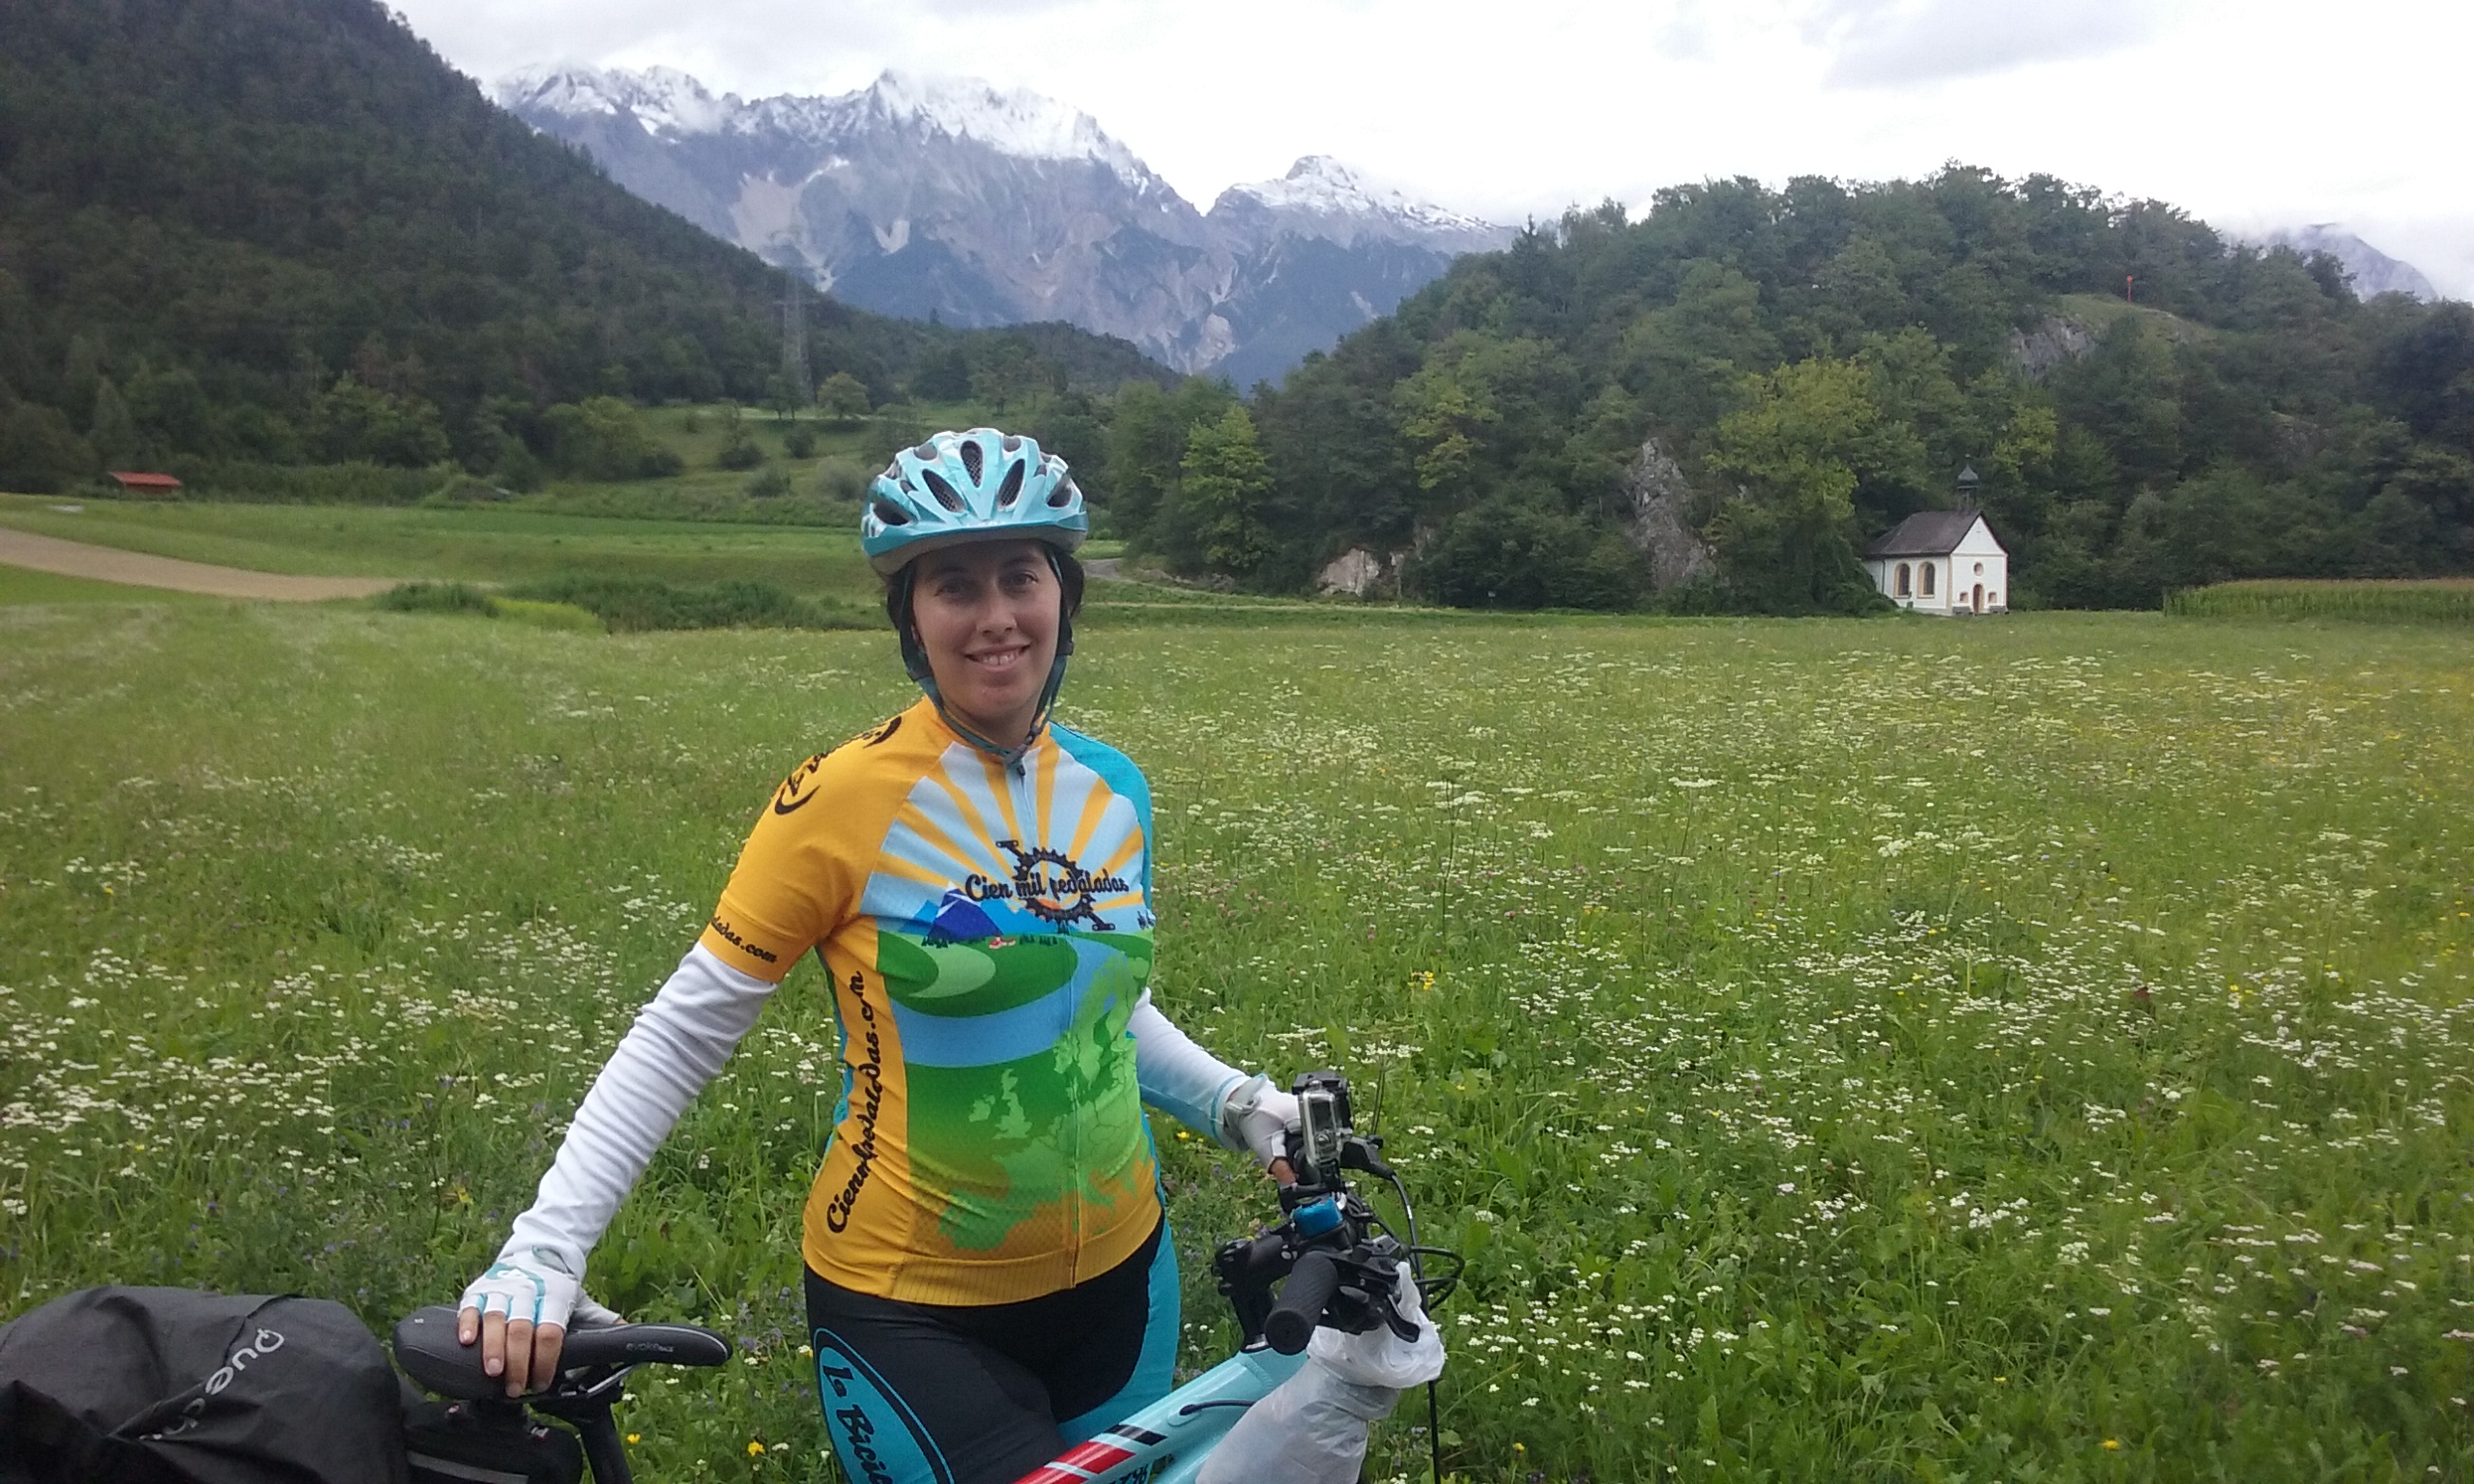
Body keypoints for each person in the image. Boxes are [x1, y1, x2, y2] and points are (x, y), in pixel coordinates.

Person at [455, 428, 1298, 1484]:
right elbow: (681, 1034)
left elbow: (1092, 1001)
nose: (995, 616)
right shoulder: (842, 799)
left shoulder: (1113, 789)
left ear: (1064, 596)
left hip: (1128, 1279)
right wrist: (545, 1248)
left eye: (1020, 576)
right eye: (955, 586)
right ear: (910, 618)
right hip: (914, 1310)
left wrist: (1230, 1100)